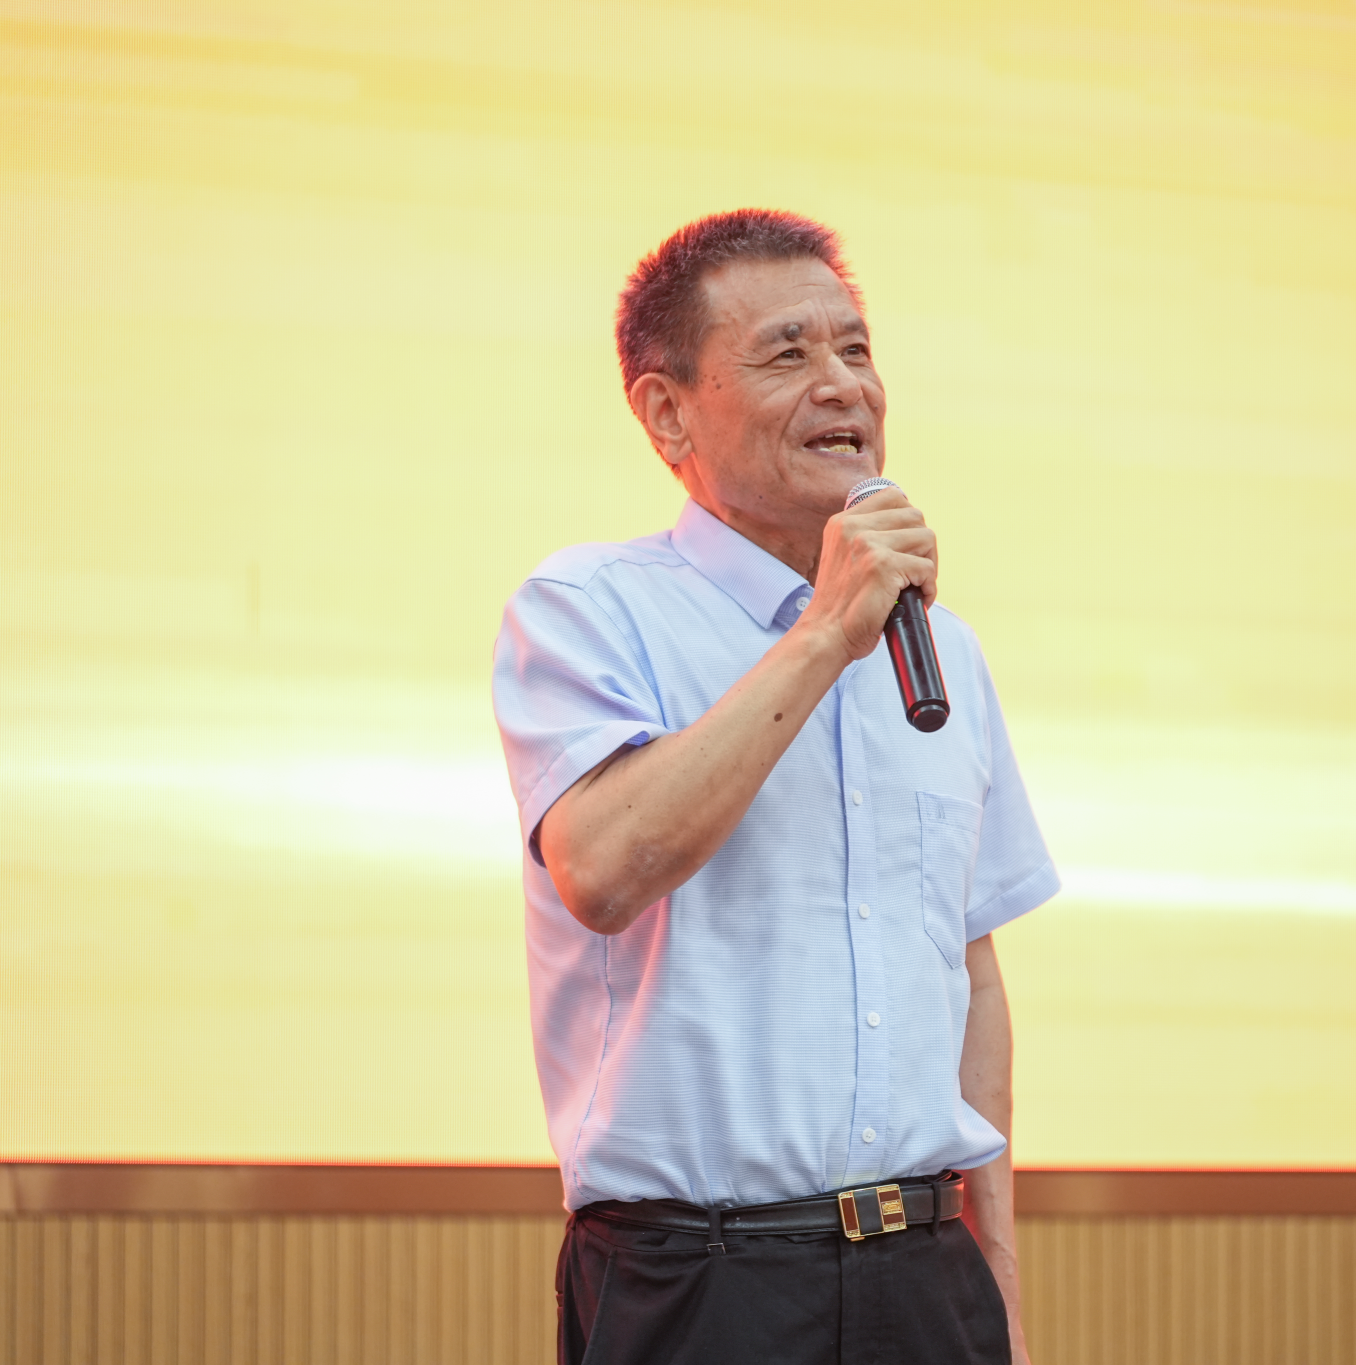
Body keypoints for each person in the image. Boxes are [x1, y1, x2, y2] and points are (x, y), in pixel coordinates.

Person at [493, 209, 1059, 1365]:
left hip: (927, 1276)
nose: (840, 384)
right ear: (666, 414)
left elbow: (969, 971)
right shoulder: (590, 610)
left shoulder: (944, 652)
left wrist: (994, 1271)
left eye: (854, 348)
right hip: (702, 1284)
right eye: (786, 353)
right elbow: (601, 870)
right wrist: (824, 633)